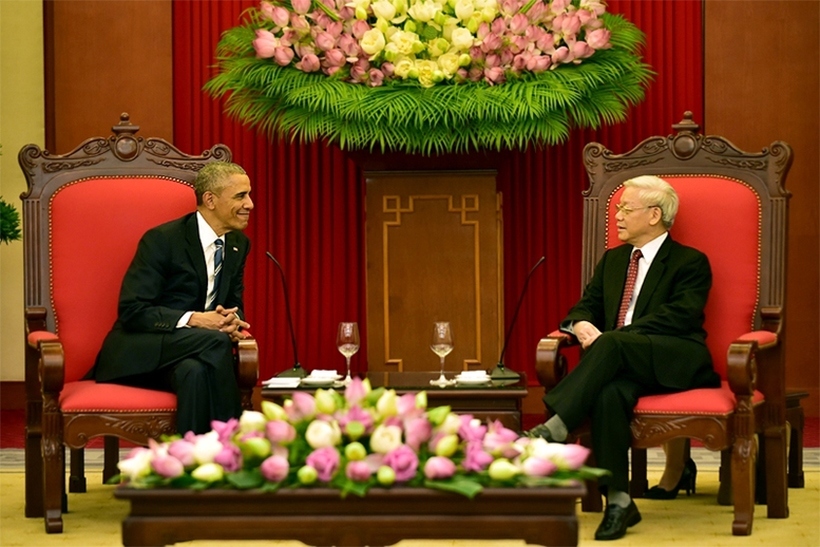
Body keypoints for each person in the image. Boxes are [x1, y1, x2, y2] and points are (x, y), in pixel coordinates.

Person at [528, 175, 719, 541]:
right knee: (608, 394)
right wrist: (582, 325)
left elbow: (680, 316)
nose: (616, 215)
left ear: (653, 215)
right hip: (619, 362)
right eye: (617, 207)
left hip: (674, 357)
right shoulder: (614, 260)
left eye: (624, 208)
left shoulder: (689, 262)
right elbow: (587, 306)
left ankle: (556, 424)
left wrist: (611, 340)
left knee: (613, 344)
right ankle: (619, 501)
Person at [93, 161, 254, 434]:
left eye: (249, 194)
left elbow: (233, 304)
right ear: (210, 200)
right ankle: (234, 444)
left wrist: (232, 321)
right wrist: (195, 319)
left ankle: (190, 463)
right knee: (215, 340)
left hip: (194, 354)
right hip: (143, 348)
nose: (249, 204)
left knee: (194, 373)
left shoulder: (238, 244)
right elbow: (133, 310)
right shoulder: (162, 240)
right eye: (240, 196)